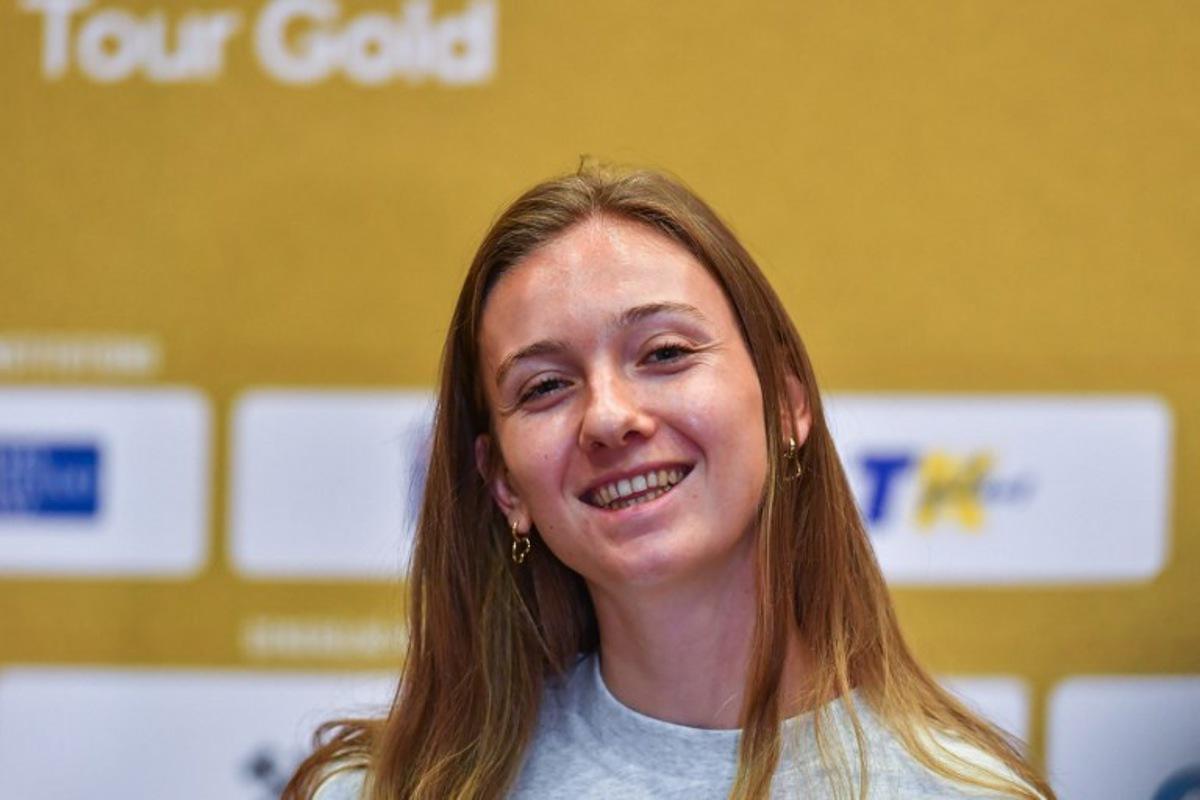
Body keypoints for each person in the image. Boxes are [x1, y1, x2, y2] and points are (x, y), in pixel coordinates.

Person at [283, 165, 1055, 800]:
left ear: (787, 405)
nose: (609, 417)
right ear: (504, 486)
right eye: (546, 386)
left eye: (664, 354)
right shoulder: (378, 791)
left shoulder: (965, 793)